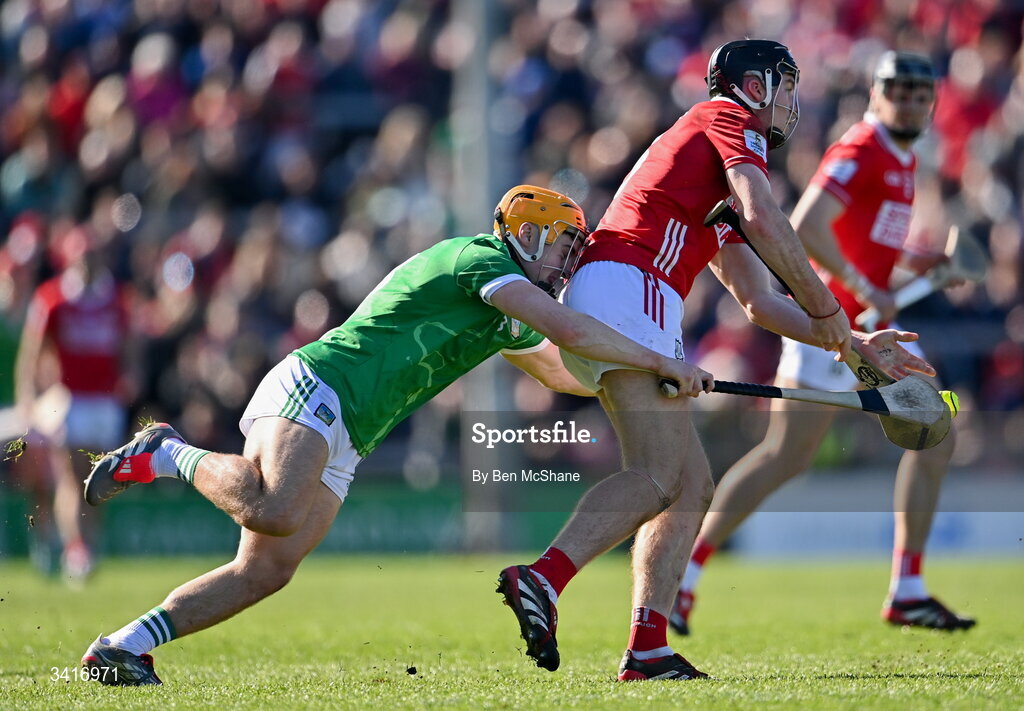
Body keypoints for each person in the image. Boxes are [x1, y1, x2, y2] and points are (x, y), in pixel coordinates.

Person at [77, 184, 712, 685]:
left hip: (352, 430)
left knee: (264, 570)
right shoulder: (479, 261)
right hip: (321, 384)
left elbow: (562, 369)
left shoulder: (506, 314)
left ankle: (124, 646)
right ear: (527, 233)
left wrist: (639, 380)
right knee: (274, 507)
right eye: (564, 243)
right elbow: (571, 334)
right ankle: (165, 451)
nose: (572, 259)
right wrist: (661, 361)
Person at [495, 40, 936, 683]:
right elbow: (767, 218)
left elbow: (758, 302)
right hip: (630, 289)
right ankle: (543, 578)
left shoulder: (714, 176)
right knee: (656, 474)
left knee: (690, 485)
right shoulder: (726, 121)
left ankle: (648, 645)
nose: (790, 99)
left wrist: (853, 345)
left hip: (633, 298)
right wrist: (833, 310)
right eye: (783, 85)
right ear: (750, 86)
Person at [669, 51, 975, 637]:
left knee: (790, 457)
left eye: (919, 93)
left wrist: (920, 264)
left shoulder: (902, 159)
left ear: (932, 102)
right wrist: (862, 291)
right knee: (927, 431)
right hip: (833, 329)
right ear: (876, 95)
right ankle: (905, 588)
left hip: (844, 324)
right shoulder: (864, 149)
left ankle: (686, 576)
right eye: (898, 91)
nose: (909, 101)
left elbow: (862, 243)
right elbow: (807, 226)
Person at [13, 224, 133, 582]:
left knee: (97, 479)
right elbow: (31, 354)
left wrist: (132, 374)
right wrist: (27, 399)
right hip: (70, 399)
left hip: (106, 400)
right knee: (68, 475)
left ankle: (86, 544)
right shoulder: (53, 298)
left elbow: (129, 344)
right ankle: (75, 549)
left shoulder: (115, 298)